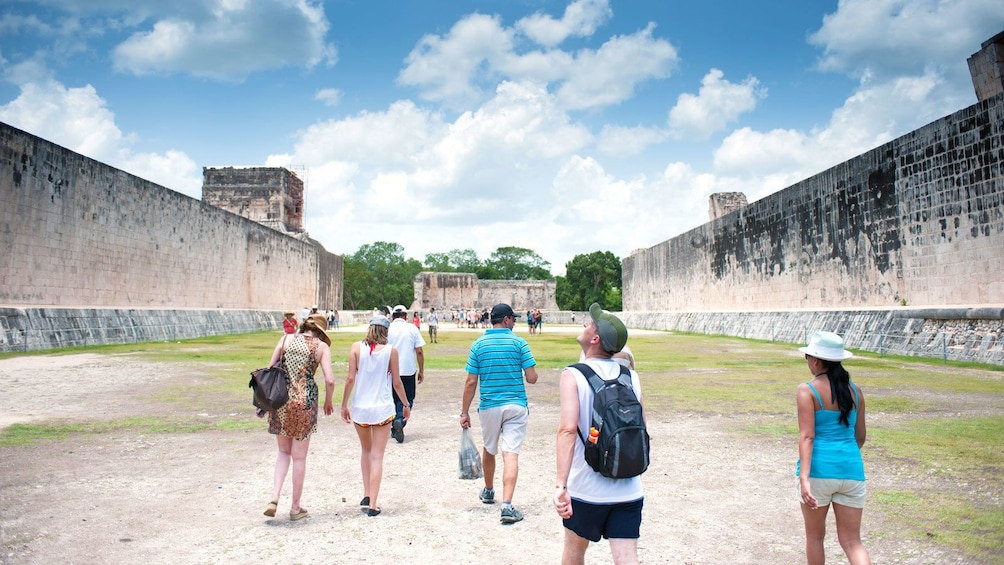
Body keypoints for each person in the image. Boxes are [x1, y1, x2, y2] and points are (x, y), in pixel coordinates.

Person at [554, 303, 644, 563]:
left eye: (589, 324)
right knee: (627, 559)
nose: (585, 324)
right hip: (628, 488)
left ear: (594, 339)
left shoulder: (573, 375)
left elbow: (568, 430)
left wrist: (561, 485)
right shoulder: (631, 377)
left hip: (587, 489)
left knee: (574, 553)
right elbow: (642, 430)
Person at [460, 303, 539, 525]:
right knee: (511, 453)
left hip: (490, 406)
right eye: (513, 319)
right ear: (505, 320)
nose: (514, 322)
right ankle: (507, 505)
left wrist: (464, 412)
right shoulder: (519, 343)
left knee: (489, 448)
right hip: (515, 405)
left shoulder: (478, 345)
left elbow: (470, 382)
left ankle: (488, 490)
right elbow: (532, 378)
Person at [796, 331, 870, 565]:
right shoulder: (855, 391)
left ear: (816, 360)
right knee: (852, 542)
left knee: (815, 538)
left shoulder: (807, 390)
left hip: (819, 471)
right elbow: (860, 436)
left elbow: (807, 436)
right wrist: (844, 456)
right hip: (851, 470)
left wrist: (804, 478)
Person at [262, 313, 334, 521]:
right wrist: (328, 401)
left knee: (283, 452)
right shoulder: (321, 347)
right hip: (305, 401)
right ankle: (295, 507)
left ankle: (274, 496)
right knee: (299, 457)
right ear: (320, 331)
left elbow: (269, 370)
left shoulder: (286, 339)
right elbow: (330, 380)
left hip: (281, 400)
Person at [341, 316, 411, 517]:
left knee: (366, 450)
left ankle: (366, 493)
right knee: (377, 455)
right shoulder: (391, 351)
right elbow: (397, 382)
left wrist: (344, 404)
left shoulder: (356, 348)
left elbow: (350, 378)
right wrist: (405, 404)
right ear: (386, 331)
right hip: (382, 408)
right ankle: (373, 503)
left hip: (361, 407)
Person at [387, 305, 426, 443]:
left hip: (390, 370)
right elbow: (419, 351)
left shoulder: (387, 329)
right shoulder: (412, 328)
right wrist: (421, 370)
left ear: (392, 317)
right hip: (408, 371)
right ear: (405, 316)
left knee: (392, 399)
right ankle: (399, 421)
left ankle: (394, 426)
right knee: (407, 399)